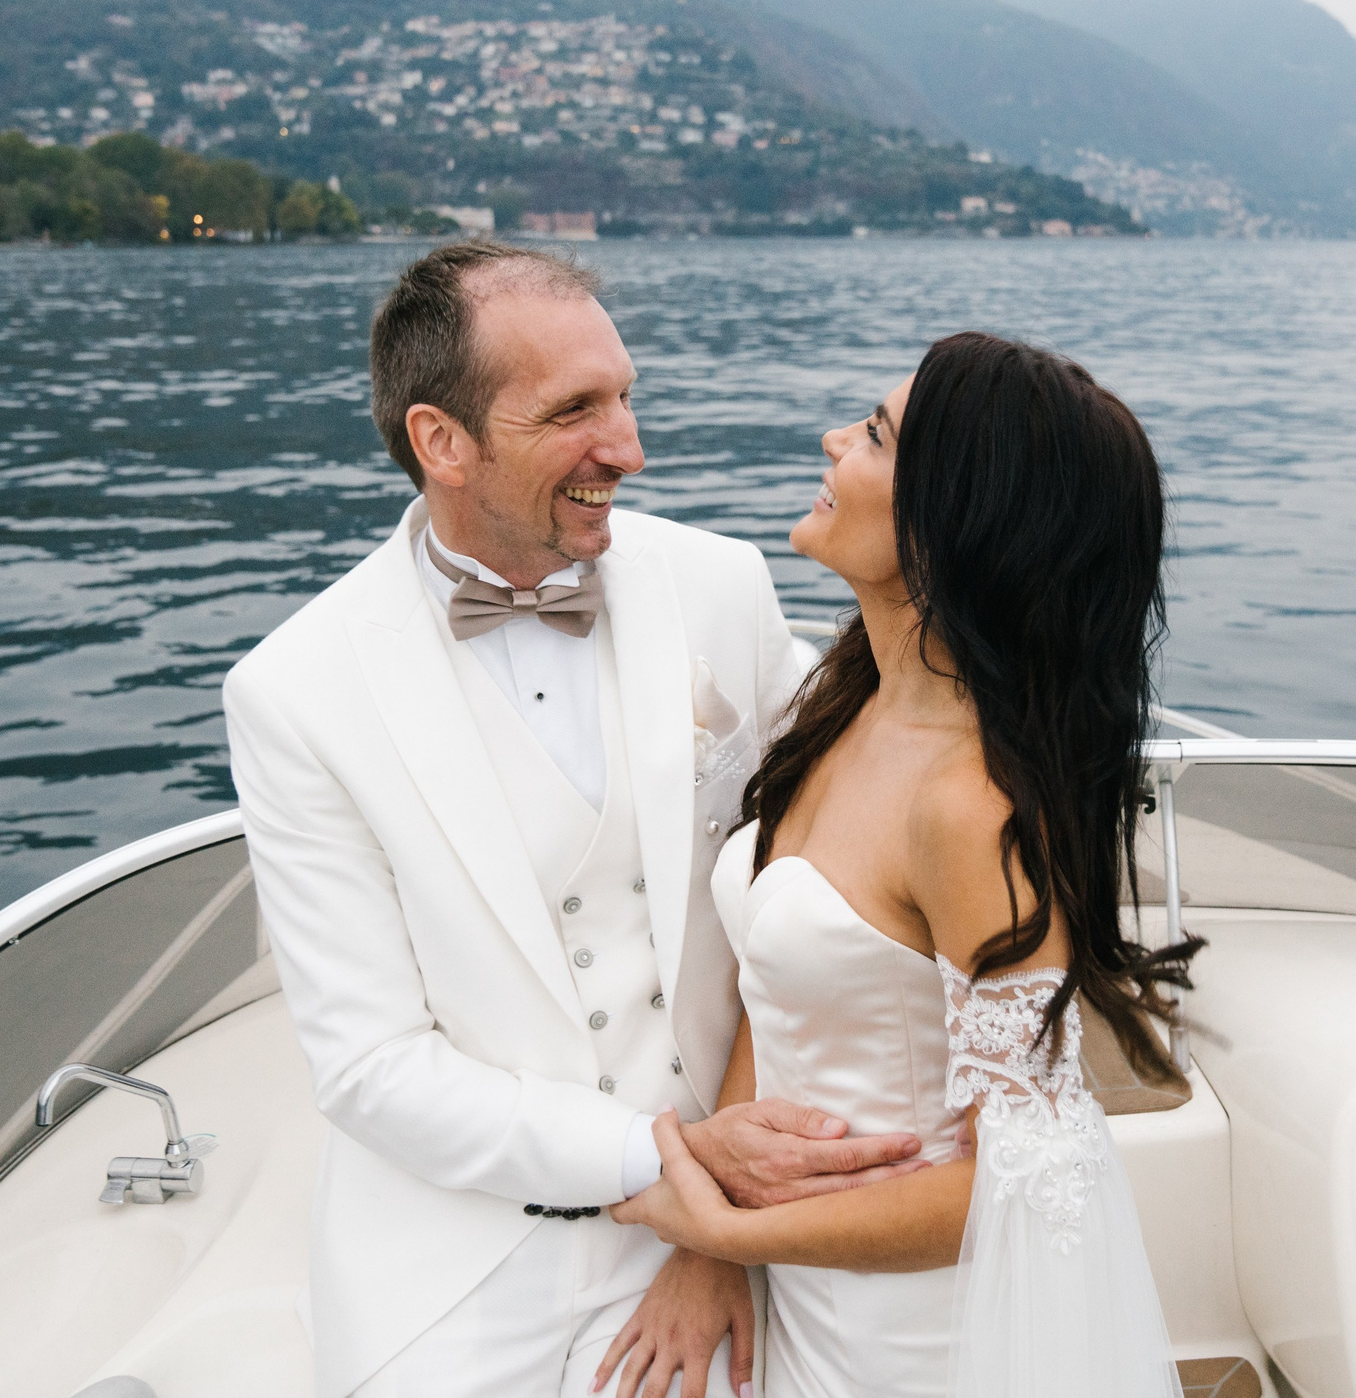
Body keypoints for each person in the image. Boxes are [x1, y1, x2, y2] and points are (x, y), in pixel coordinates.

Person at [223, 241, 927, 1398]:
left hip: (741, 1197)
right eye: (574, 411)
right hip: (458, 1242)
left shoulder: (716, 585)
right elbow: (371, 1067)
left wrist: (715, 1232)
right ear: (441, 442)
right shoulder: (296, 693)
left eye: (626, 396)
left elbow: (842, 835)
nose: (629, 449)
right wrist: (665, 1161)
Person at [608, 331, 1198, 1398]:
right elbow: (773, 988)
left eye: (873, 434)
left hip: (922, 1344)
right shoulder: (847, 698)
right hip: (803, 1301)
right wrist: (721, 1225)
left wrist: (721, 1227)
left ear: (951, 523)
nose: (832, 440)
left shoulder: (969, 810)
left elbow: (1022, 1183)